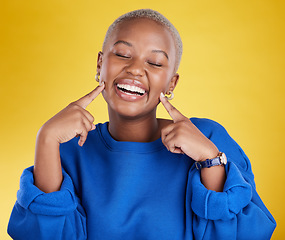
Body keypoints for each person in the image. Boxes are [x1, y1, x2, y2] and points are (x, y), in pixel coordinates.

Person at [8, 9, 276, 240]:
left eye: (155, 62)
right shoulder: (68, 148)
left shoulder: (207, 138)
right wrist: (45, 138)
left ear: (171, 83)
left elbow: (245, 234)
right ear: (101, 63)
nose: (135, 69)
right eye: (123, 54)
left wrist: (209, 160)